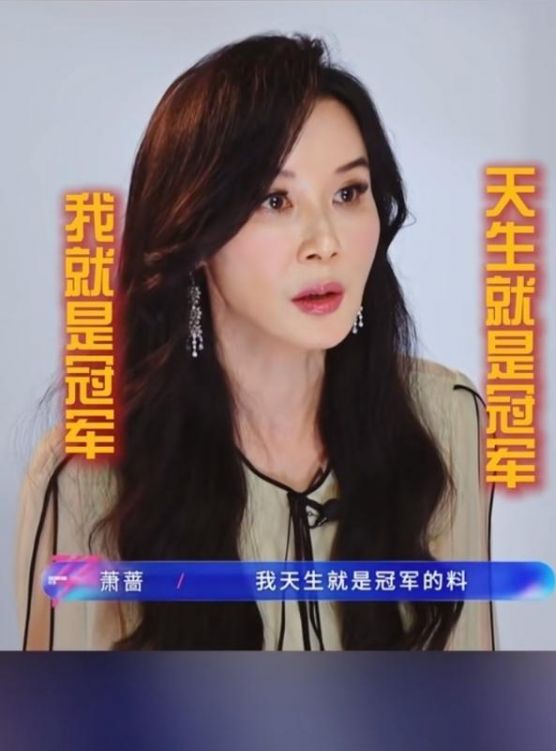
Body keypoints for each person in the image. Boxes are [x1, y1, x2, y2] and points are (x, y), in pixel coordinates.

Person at [14, 32, 497, 651]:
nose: (325, 243)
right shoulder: (89, 474)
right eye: (275, 200)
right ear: (195, 235)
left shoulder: (446, 421)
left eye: (348, 194)